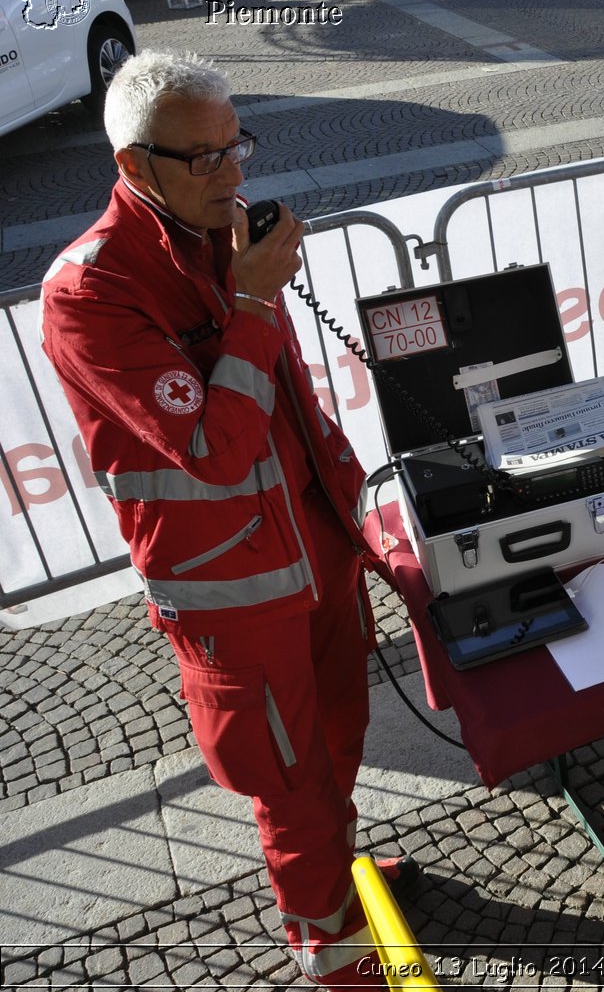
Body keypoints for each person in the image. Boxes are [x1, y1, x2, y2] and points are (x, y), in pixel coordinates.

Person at [39, 51, 410, 988]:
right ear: (136, 167)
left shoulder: (225, 237)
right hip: (235, 593)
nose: (233, 174)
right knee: (288, 781)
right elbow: (213, 444)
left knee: (338, 738)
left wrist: (356, 504)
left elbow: (289, 398)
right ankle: (330, 949)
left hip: (315, 548)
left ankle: (340, 880)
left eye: (235, 145)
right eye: (204, 159)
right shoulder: (88, 291)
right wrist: (251, 299)